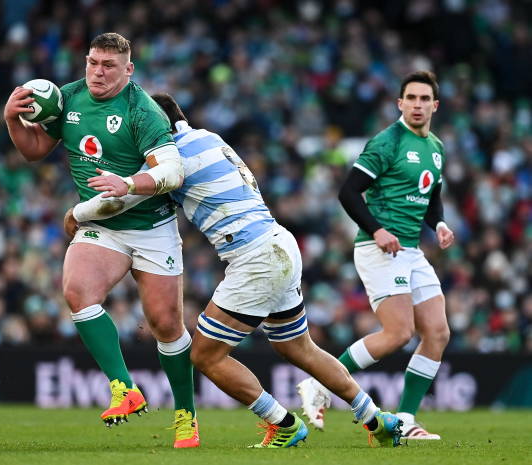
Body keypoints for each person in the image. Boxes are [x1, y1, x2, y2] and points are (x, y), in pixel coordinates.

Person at [67, 93, 403, 448]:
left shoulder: (173, 157)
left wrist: (76, 214)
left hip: (254, 257)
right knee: (298, 348)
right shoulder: (209, 137)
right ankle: (375, 418)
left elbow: (122, 199)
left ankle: (283, 423)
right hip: (279, 242)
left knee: (204, 355)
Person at [3, 33, 199, 449]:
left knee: (166, 325)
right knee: (78, 293)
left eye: (109, 65)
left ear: (128, 70)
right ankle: (124, 389)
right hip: (104, 224)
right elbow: (36, 150)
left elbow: (171, 173)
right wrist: (11, 121)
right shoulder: (67, 98)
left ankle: (186, 415)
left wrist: (126, 182)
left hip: (151, 226)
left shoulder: (143, 111)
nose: (98, 71)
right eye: (93, 62)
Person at [298, 70, 455, 439]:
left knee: (437, 331)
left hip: (411, 250)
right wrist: (378, 230)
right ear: (400, 103)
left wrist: (441, 224)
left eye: (424, 99)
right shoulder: (387, 142)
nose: (417, 105)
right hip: (378, 246)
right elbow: (349, 193)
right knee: (399, 332)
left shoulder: (436, 147)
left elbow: (431, 197)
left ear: (435, 105)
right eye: (410, 98)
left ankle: (406, 420)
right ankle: (320, 384)